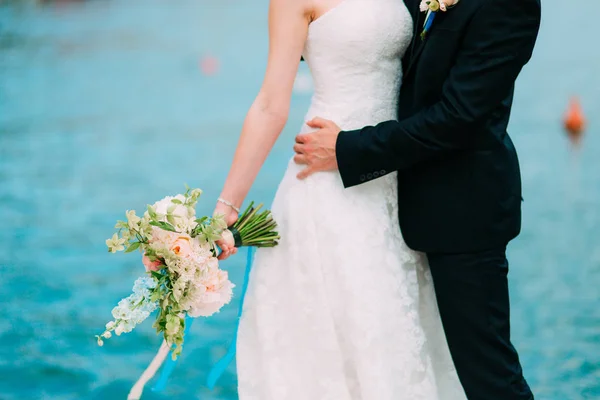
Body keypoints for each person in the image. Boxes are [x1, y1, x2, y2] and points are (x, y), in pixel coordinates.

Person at [214, 0, 540, 398]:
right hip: (328, 186)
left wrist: (348, 149)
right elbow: (269, 104)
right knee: (333, 352)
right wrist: (225, 209)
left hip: (433, 196)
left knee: (475, 370)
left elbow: (460, 114)